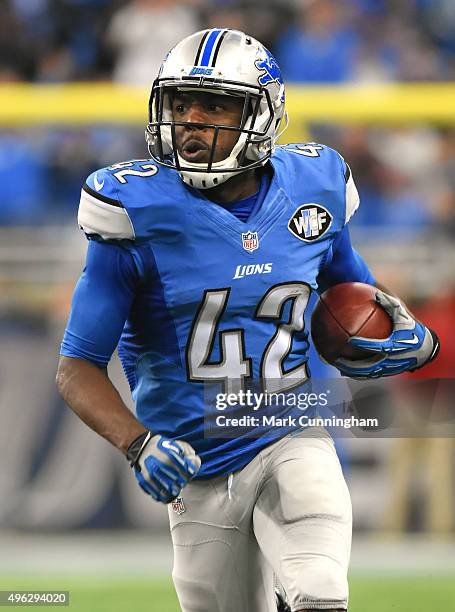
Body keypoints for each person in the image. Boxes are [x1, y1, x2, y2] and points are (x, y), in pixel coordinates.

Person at [56, 29, 439, 612]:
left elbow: (355, 295)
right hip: (197, 462)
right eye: (180, 104)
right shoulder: (136, 213)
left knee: (319, 592)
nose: (191, 120)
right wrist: (138, 444)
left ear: (263, 113)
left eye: (215, 104)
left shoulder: (314, 186)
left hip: (293, 431)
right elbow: (77, 367)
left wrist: (402, 333)